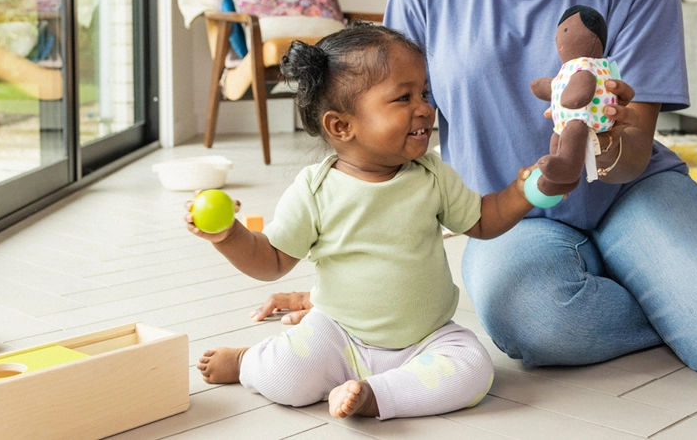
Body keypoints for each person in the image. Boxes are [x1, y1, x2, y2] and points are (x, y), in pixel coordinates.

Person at [251, 0, 697, 384]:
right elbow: (380, 152)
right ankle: (673, 303)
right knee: (535, 321)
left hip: (632, 191)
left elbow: (632, 156)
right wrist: (344, 299)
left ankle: (683, 302)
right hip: (508, 212)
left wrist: (610, 133)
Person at [186, 23, 542, 420]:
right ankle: (248, 362)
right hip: (338, 334)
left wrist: (521, 193)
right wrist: (229, 235)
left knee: (474, 368)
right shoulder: (316, 189)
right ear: (342, 126)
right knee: (286, 376)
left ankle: (377, 394)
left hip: (427, 336)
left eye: (424, 92)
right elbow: (270, 260)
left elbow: (481, 221)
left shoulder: (431, 174)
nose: (424, 107)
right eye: (403, 97)